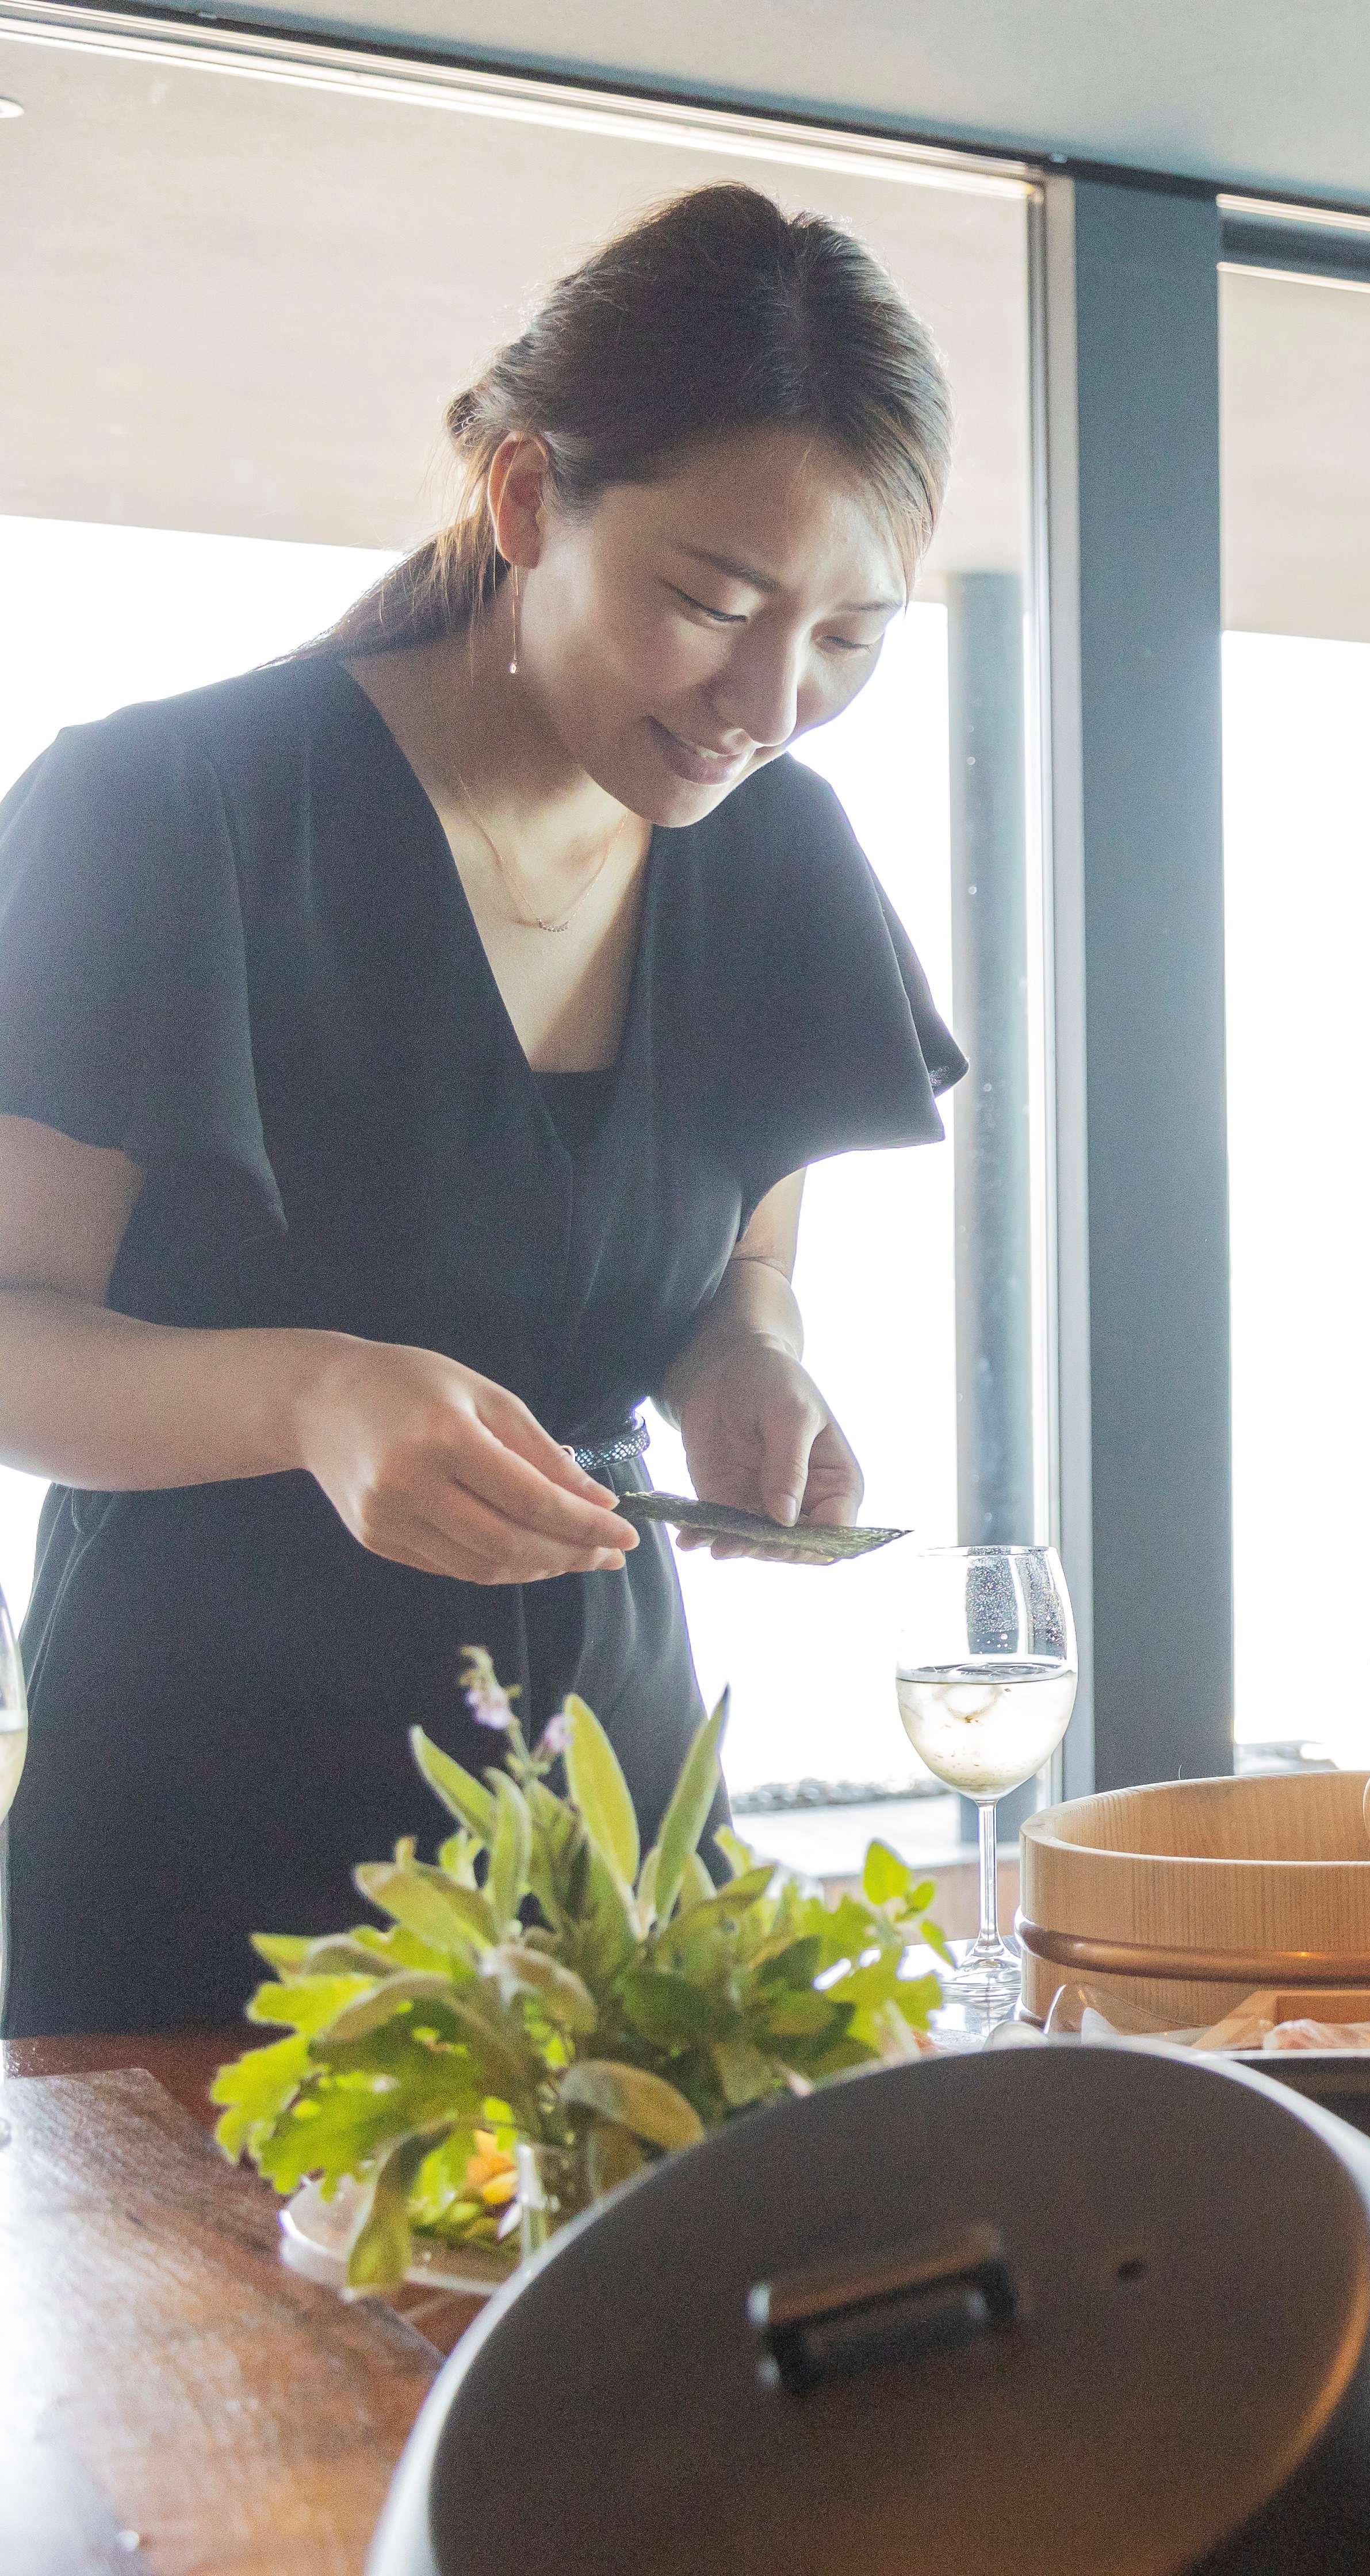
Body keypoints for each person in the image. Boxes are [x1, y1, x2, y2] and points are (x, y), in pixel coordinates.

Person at [0, 185, 964, 2034]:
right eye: (712, 602)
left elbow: (746, 1262)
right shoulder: (170, 813)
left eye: (849, 638)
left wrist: (744, 1365)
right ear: (528, 501)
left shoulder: (771, 854)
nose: (769, 705)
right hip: (211, 1840)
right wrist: (308, 1391)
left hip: (615, 1806)